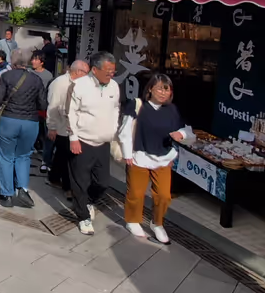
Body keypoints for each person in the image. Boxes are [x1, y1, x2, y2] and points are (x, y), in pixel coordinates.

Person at [119, 73, 191, 244]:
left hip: (163, 158)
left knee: (164, 195)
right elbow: (125, 130)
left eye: (167, 89)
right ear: (150, 88)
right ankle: (132, 220)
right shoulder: (138, 105)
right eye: (159, 88)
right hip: (139, 156)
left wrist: (180, 134)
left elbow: (187, 131)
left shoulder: (172, 110)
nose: (163, 93)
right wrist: (127, 154)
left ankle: (157, 223)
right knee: (136, 193)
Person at [66, 51, 121, 235]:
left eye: (113, 71)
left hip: (103, 142)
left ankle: (88, 201)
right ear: (95, 70)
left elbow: (115, 110)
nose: (111, 74)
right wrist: (73, 138)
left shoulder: (114, 86)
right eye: (108, 71)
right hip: (82, 141)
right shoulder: (78, 85)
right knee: (80, 182)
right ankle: (83, 217)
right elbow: (70, 113)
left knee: (103, 182)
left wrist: (113, 133)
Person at [0, 49, 47, 208]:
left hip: (9, 120)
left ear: (13, 61)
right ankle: (22, 188)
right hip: (30, 123)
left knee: (5, 156)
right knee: (24, 156)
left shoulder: (6, 76)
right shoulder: (36, 80)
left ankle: (6, 194)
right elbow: (43, 105)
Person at [47, 60, 90, 200]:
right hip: (61, 125)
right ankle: (67, 186)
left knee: (62, 155)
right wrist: (51, 126)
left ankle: (54, 177)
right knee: (66, 157)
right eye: (86, 72)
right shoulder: (60, 83)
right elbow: (53, 105)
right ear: (77, 72)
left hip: (74, 125)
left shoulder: (82, 84)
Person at [30, 52, 55, 172]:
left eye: (36, 59)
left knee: (45, 132)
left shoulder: (48, 75)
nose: (33, 62)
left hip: (44, 108)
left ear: (42, 62)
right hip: (31, 107)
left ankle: (45, 156)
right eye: (33, 59)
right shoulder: (29, 73)